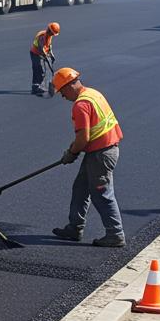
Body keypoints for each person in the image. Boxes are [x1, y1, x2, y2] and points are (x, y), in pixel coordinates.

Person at [49, 67, 125, 248]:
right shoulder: (93, 93)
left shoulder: (81, 105)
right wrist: (74, 149)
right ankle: (75, 228)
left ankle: (115, 234)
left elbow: (84, 138)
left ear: (68, 86)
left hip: (101, 155)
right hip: (100, 151)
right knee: (81, 188)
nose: (63, 97)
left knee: (102, 194)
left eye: (62, 92)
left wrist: (72, 153)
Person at [30, 22, 59, 96]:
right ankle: (36, 87)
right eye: (52, 33)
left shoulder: (49, 35)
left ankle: (37, 86)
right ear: (49, 30)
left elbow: (49, 45)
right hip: (35, 53)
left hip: (40, 53)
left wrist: (51, 54)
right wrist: (46, 57)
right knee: (39, 70)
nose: (52, 35)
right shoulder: (42, 36)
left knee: (41, 70)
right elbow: (41, 48)